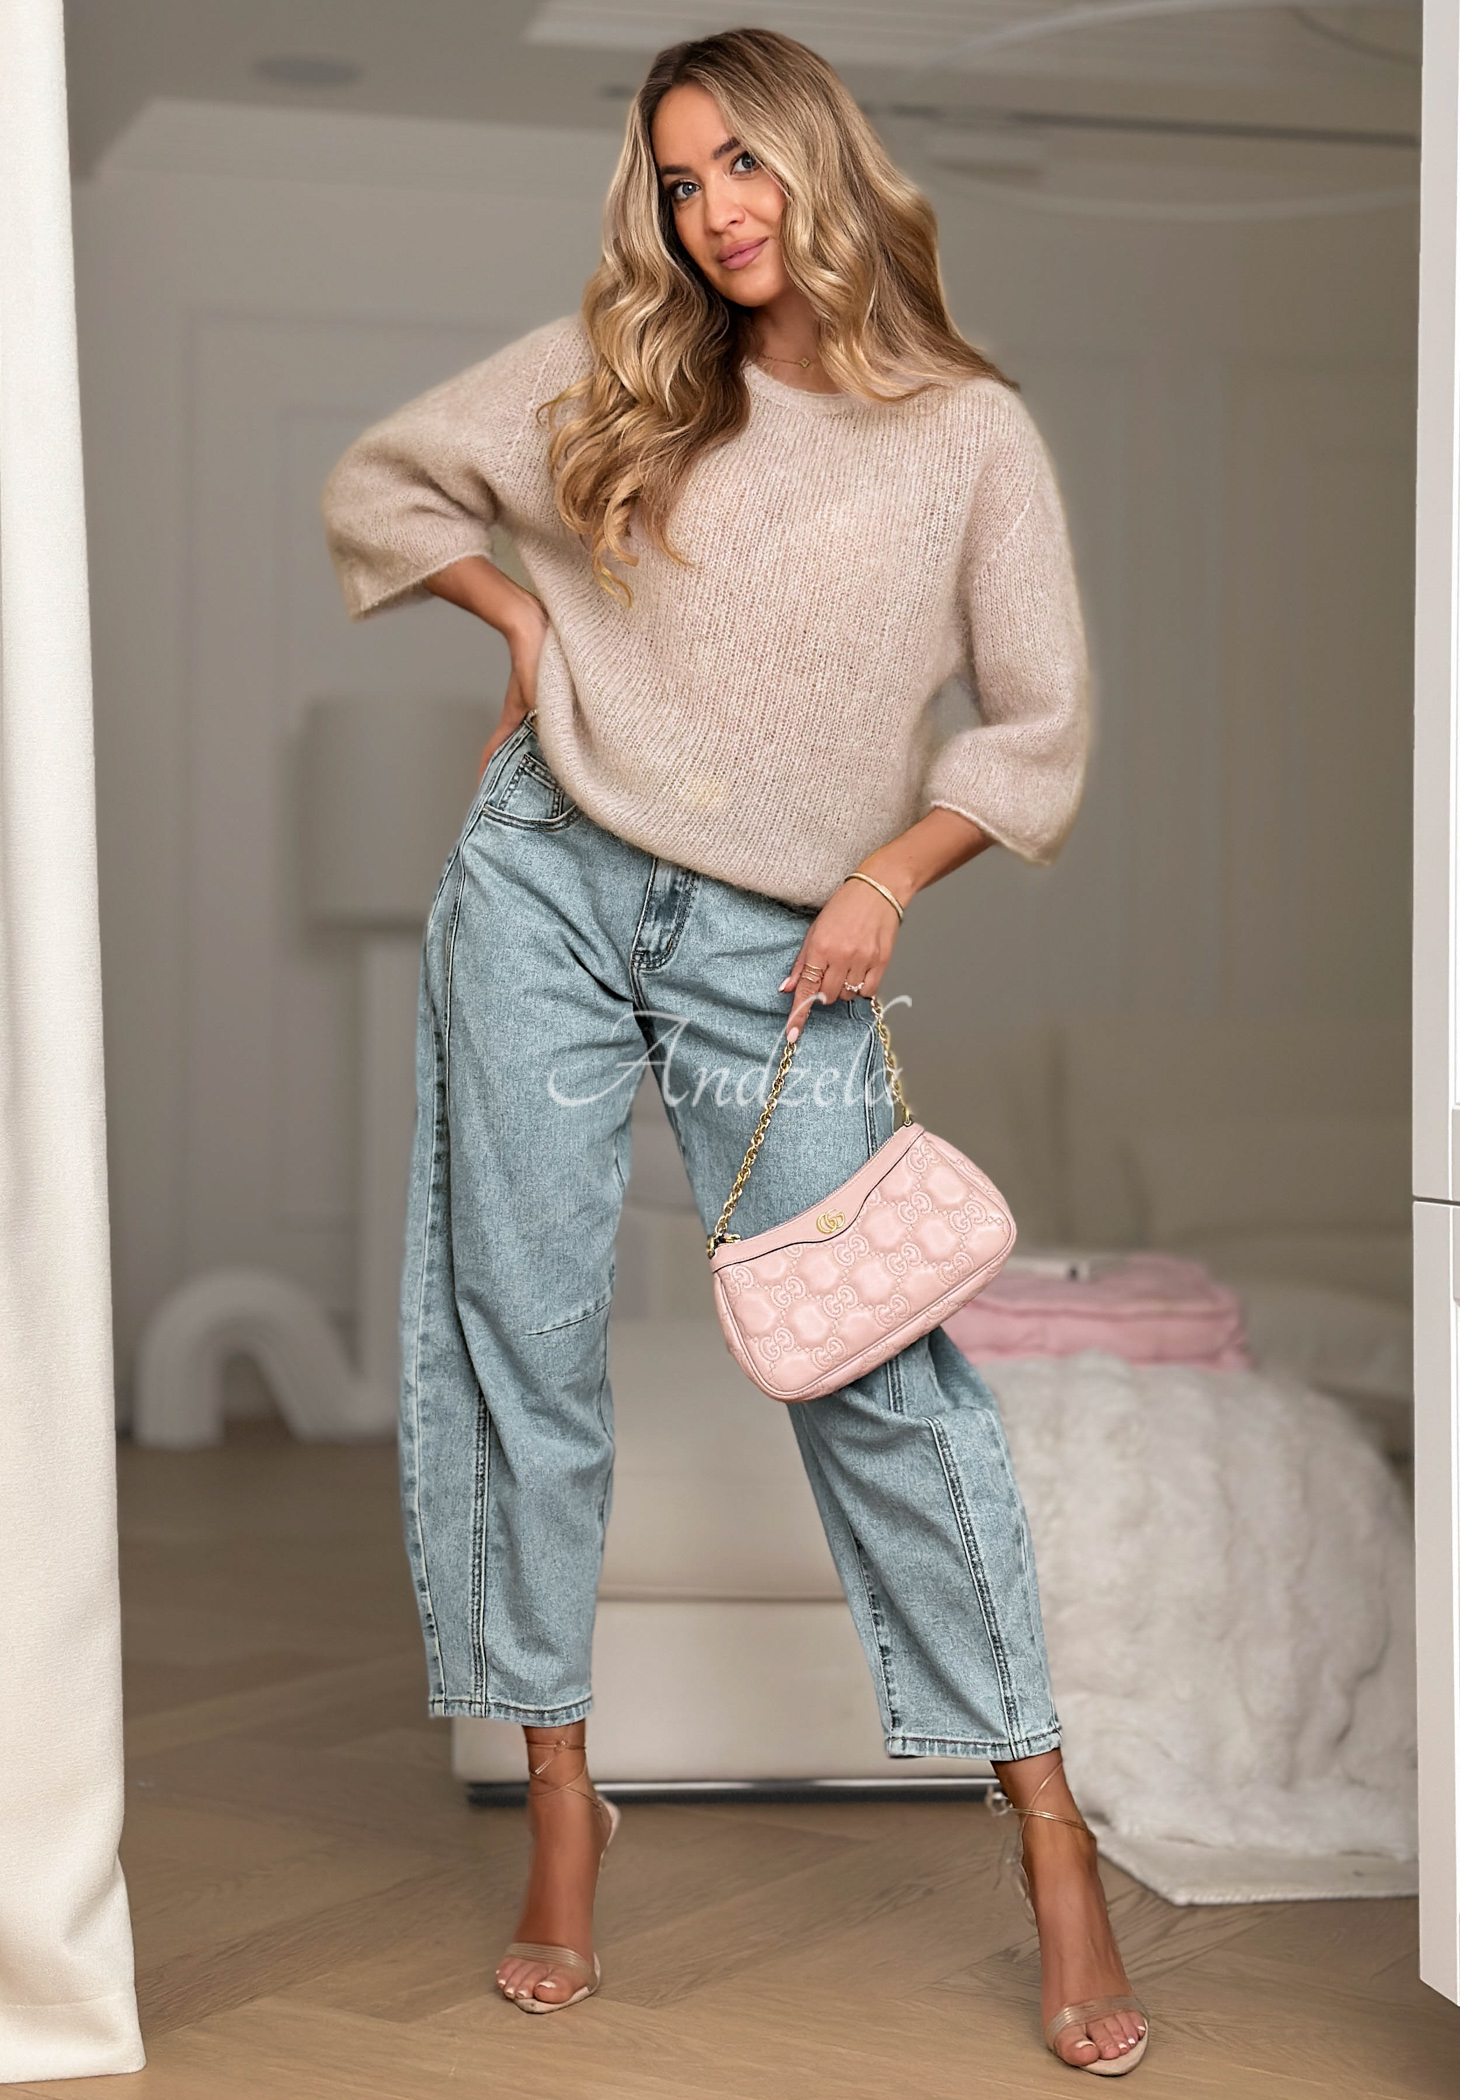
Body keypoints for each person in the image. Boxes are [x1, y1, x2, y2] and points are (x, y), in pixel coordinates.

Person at [323, 26, 1147, 2074]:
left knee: (872, 1360)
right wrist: (527, 624)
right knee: (518, 1335)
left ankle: (1050, 1834)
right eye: (680, 182)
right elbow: (383, 482)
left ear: (818, 162)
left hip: (784, 943)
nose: (714, 212)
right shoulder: (620, 377)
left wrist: (886, 874)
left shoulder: (966, 435)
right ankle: (562, 1793)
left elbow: (1035, 724)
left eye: (742, 166)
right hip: (543, 877)